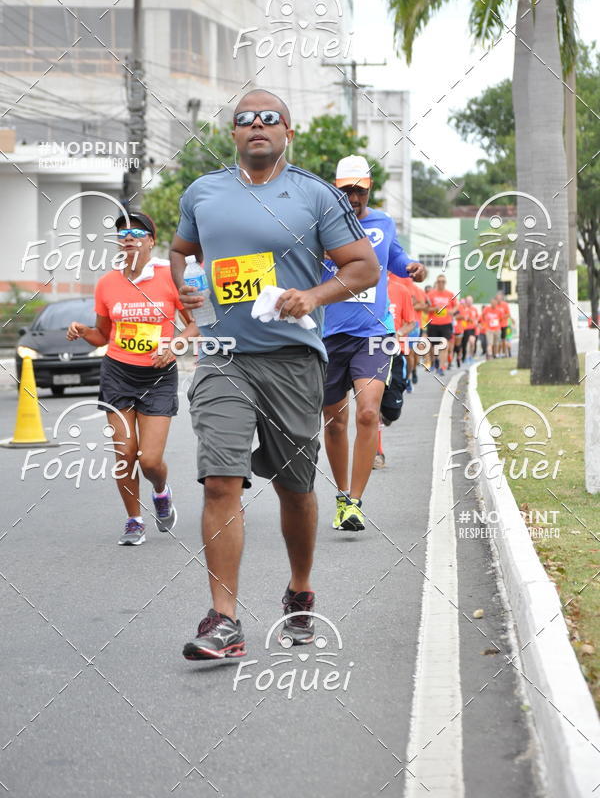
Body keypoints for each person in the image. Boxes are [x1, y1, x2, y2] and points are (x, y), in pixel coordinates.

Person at [169, 91, 380, 660]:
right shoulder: (203, 192)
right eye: (244, 119)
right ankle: (224, 619)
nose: (256, 125)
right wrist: (188, 294)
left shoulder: (315, 195)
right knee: (220, 480)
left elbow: (363, 267)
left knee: (294, 489)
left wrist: (312, 294)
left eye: (269, 119)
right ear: (233, 133)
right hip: (223, 357)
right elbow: (182, 252)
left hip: (292, 359)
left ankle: (300, 588)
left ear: (288, 130)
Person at [66, 212, 196, 546]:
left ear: (152, 241)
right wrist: (82, 331)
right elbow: (102, 335)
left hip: (157, 375)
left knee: (149, 460)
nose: (128, 238)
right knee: (124, 455)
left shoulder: (169, 277)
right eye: (123, 233)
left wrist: (175, 346)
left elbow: (198, 323)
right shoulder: (107, 283)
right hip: (118, 373)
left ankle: (161, 490)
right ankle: (134, 519)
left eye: (137, 232)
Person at [320, 155, 426, 531]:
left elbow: (394, 258)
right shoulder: (320, 224)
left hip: (374, 334)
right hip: (329, 335)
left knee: (367, 412)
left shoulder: (383, 223)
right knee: (334, 422)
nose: (352, 198)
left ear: (369, 189)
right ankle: (340, 493)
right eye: (345, 190)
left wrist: (412, 265)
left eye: (359, 190)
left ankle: (354, 502)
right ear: (336, 189)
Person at [425, 274, 457, 375]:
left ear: (445, 283)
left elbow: (456, 306)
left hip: (446, 323)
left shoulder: (450, 294)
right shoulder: (431, 294)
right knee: (434, 346)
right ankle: (435, 361)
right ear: (436, 282)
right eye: (439, 281)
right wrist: (434, 309)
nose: (441, 283)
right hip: (433, 323)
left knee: (445, 345)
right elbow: (426, 309)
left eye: (443, 281)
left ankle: (442, 367)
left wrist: (452, 311)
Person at [461, 295, 478, 363]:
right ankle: (466, 357)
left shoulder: (474, 309)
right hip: (466, 328)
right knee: (466, 343)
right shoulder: (464, 308)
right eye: (468, 301)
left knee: (472, 342)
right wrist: (470, 319)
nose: (469, 302)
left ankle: (471, 356)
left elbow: (477, 317)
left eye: (471, 300)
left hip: (473, 328)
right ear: (466, 301)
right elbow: (465, 318)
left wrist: (476, 322)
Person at [495, 290, 512, 357]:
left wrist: (502, 317)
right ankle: (497, 353)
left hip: (504, 325)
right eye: (497, 297)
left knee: (503, 340)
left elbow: (508, 314)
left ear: (501, 297)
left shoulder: (505, 305)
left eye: (499, 297)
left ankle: (504, 353)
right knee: (498, 341)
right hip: (496, 326)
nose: (498, 299)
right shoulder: (495, 304)